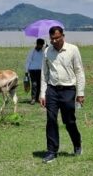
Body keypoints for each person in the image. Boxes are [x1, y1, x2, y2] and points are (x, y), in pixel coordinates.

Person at [40, 26, 85, 163]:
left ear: (63, 36)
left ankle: (77, 144)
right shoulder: (47, 51)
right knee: (51, 119)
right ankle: (52, 151)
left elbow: (79, 71)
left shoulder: (73, 49)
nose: (54, 41)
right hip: (52, 90)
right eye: (52, 38)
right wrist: (42, 93)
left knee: (69, 121)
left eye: (57, 38)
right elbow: (44, 74)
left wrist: (80, 92)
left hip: (68, 90)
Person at [25, 38, 45, 105]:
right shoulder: (32, 51)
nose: (41, 46)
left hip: (40, 70)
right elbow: (28, 61)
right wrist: (26, 71)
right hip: (32, 70)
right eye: (41, 45)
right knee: (34, 84)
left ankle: (37, 98)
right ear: (37, 44)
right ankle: (33, 98)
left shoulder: (43, 51)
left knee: (39, 84)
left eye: (42, 45)